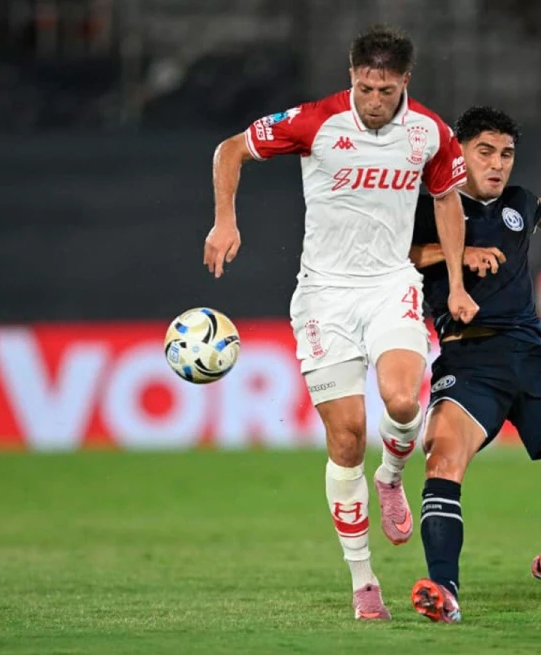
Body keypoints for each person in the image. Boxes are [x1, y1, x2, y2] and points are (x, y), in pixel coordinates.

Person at [203, 24, 478, 621]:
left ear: (405, 82)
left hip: (390, 286)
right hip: (324, 297)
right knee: (347, 435)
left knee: (405, 403)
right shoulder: (314, 121)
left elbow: (447, 201)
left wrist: (455, 283)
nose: (372, 101)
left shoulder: (429, 132)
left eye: (384, 89)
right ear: (350, 76)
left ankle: (392, 477)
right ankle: (364, 583)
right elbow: (230, 149)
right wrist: (225, 221)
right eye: (363, 86)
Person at [405, 106, 541, 623]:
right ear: (457, 154)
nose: (498, 163)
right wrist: (459, 254)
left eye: (506, 154)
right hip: (469, 358)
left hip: (532, 359)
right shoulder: (428, 208)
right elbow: (400, 253)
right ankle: (445, 591)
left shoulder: (516, 204)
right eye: (484, 151)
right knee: (443, 460)